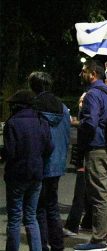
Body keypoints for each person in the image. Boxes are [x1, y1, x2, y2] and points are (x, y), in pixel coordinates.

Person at [74, 59, 107, 251]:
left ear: (93, 73)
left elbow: (90, 123)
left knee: (98, 195)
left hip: (97, 147)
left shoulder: (92, 94)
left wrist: (76, 123)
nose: (81, 74)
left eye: (84, 71)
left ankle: (98, 240)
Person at [3, 89, 54, 251]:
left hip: (17, 174)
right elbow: (49, 147)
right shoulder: (42, 121)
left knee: (15, 218)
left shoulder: (12, 123)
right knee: (31, 217)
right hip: (36, 174)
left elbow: (10, 152)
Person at [28, 71, 71, 251]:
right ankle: (57, 245)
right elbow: (67, 135)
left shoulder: (33, 107)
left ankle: (42, 245)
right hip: (57, 162)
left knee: (38, 208)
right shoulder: (63, 108)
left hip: (40, 162)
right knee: (52, 206)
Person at [63, 93, 92, 236]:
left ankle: (72, 226)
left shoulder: (88, 119)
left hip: (86, 159)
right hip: (83, 159)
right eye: (80, 100)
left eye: (84, 101)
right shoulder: (83, 117)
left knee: (80, 194)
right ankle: (88, 222)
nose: (81, 103)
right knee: (88, 194)